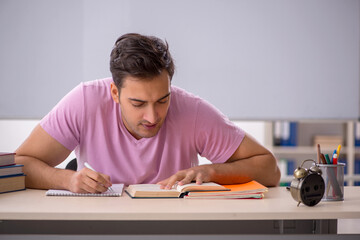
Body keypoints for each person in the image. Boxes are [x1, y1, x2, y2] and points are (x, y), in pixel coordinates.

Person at [15, 33, 280, 193]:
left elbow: (270, 170)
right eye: (138, 104)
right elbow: (21, 163)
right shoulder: (84, 101)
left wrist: (212, 172)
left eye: (163, 100)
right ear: (115, 93)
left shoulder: (191, 110)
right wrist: (68, 180)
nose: (153, 117)